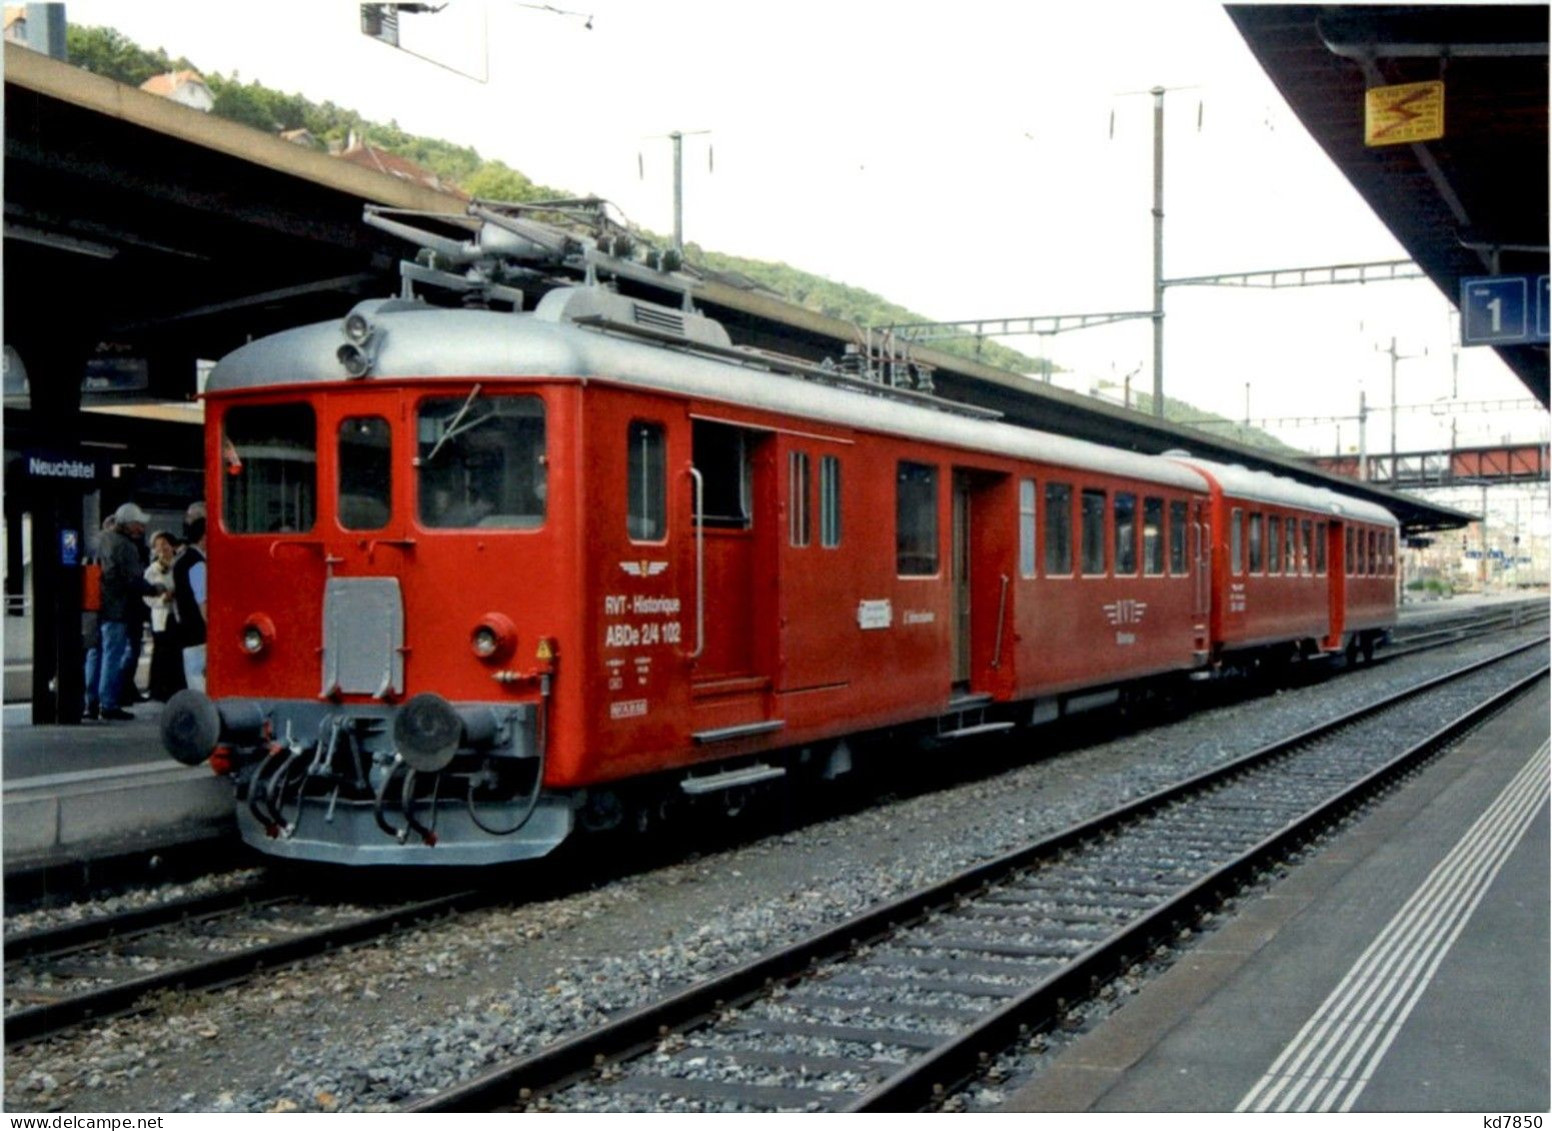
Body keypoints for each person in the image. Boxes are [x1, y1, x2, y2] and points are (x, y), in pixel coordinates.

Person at [96, 502, 166, 720]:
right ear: (127, 524)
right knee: (112, 656)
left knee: (95, 656)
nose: (141, 528)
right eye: (137, 524)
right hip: (118, 609)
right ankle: (108, 704)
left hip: (97, 608)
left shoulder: (101, 540)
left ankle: (91, 702)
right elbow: (135, 579)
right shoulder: (126, 546)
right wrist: (155, 589)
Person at [144, 530, 186, 701]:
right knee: (161, 653)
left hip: (176, 614)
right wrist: (162, 599)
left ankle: (175, 687)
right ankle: (158, 689)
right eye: (158, 546)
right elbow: (146, 596)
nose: (163, 549)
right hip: (161, 614)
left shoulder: (178, 565)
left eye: (166, 545)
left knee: (176, 652)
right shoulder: (152, 570)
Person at [173, 503, 207, 693]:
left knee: (192, 674)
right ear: (204, 538)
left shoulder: (182, 560)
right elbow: (202, 600)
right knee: (197, 678)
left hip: (186, 628)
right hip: (197, 633)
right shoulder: (197, 564)